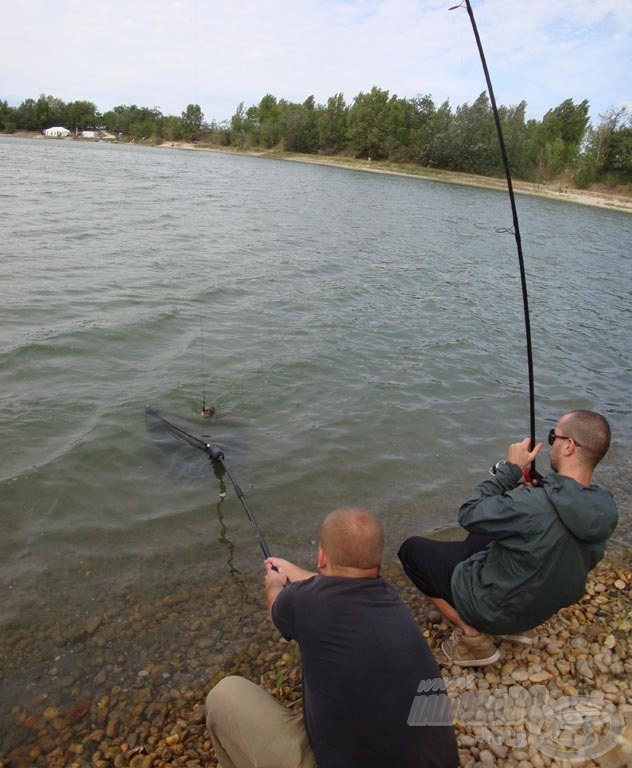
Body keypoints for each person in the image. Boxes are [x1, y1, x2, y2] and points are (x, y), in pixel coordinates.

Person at [206, 507, 459, 768]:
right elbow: (339, 588)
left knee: (224, 695)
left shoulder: (303, 602)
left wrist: (274, 581)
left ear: (321, 556)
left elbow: (276, 604)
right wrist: (293, 571)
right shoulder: (389, 599)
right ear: (377, 557)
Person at [398, 410, 619, 668]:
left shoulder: (532, 506)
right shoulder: (603, 508)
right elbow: (552, 523)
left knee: (411, 551)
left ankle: (472, 637)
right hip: (538, 611)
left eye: (553, 437)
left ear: (569, 446)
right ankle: (512, 626)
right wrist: (541, 489)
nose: (551, 444)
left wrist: (509, 470)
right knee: (491, 526)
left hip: (495, 609)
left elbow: (469, 513)